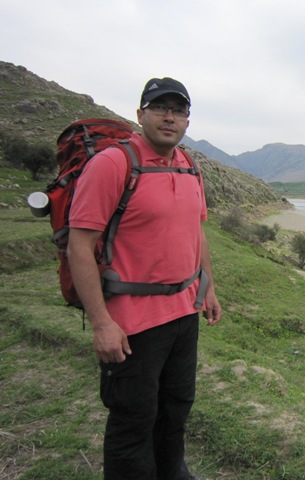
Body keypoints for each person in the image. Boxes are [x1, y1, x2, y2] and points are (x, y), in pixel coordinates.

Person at [67, 77, 222, 480]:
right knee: (133, 419)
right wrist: (101, 323)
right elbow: (79, 247)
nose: (170, 117)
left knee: (176, 407)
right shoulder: (113, 164)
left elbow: (196, 230)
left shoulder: (189, 165)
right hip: (132, 323)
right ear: (140, 114)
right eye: (160, 108)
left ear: (187, 121)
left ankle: (173, 472)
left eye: (179, 110)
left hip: (184, 313)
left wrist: (207, 286)